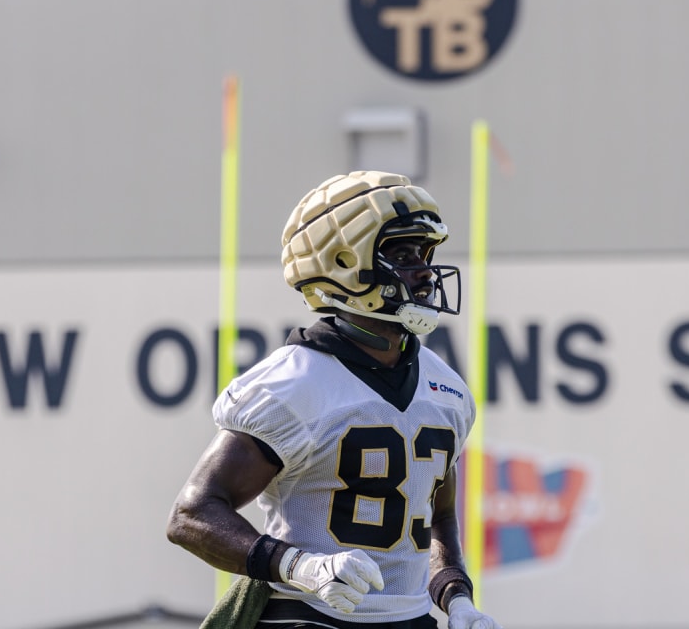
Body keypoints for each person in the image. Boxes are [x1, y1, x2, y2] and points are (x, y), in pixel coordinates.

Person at [167, 171, 502, 629]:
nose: (424, 271)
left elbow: (436, 515)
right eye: (401, 254)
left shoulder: (446, 388)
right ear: (343, 262)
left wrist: (454, 593)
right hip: (311, 617)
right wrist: (300, 567)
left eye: (425, 254)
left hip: (411, 621)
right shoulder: (291, 385)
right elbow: (192, 514)